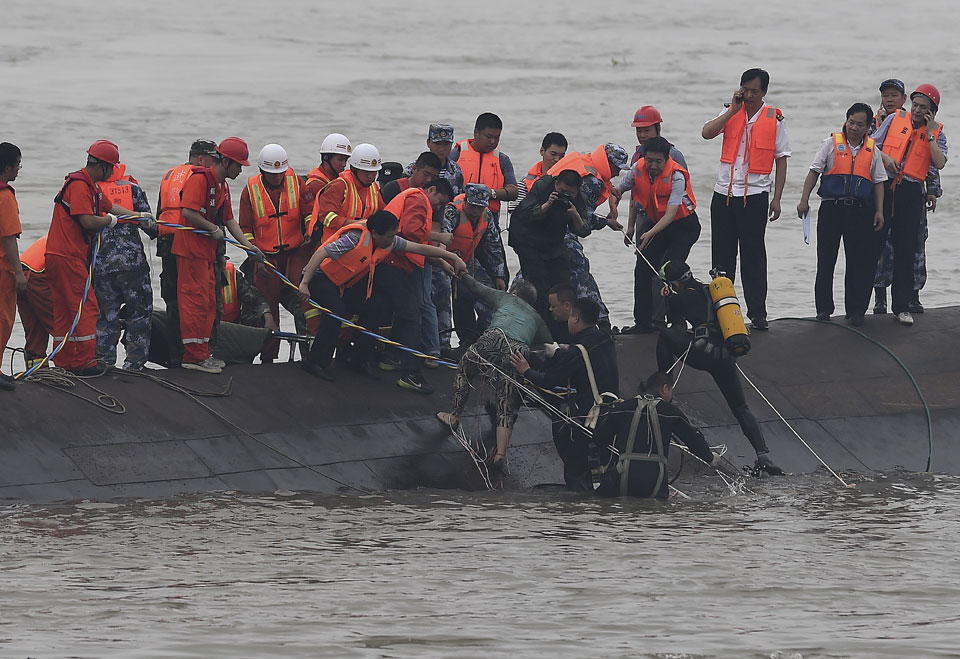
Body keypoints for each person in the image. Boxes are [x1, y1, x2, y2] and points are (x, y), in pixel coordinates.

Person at [297, 209, 465, 382]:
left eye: (394, 235)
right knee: (336, 310)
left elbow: (420, 248)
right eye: (390, 236)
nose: (393, 240)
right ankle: (315, 361)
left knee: (374, 306)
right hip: (318, 277)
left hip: (342, 283)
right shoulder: (353, 239)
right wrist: (304, 284)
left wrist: (451, 258)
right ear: (375, 233)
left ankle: (359, 359)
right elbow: (320, 254)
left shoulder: (387, 241)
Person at [655, 261, 783, 475]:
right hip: (726, 356)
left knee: (665, 337)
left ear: (675, 283)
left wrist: (668, 301)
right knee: (740, 407)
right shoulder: (712, 291)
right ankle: (763, 455)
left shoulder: (680, 298)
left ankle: (663, 389)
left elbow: (676, 327)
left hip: (703, 354)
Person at [45, 140, 147, 374]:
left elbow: (112, 208)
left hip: (59, 255)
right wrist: (108, 222)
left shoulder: (90, 185)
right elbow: (88, 220)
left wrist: (137, 216)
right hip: (67, 255)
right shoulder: (81, 186)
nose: (112, 173)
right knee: (87, 306)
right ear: (101, 166)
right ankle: (84, 362)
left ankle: (65, 361)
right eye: (111, 168)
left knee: (64, 310)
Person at [702, 68, 791, 331]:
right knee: (721, 257)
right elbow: (706, 133)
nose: (750, 95)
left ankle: (758, 313)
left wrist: (777, 199)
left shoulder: (775, 118)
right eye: (746, 89)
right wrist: (732, 110)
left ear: (764, 92)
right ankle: (722, 313)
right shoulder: (730, 110)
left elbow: (781, 160)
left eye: (755, 91)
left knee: (753, 256)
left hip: (754, 197)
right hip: (724, 195)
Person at [436, 274, 551, 470]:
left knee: (465, 366)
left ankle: (454, 416)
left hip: (495, 337)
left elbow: (477, 287)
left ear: (514, 292)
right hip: (519, 351)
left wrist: (461, 273)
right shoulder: (537, 318)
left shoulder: (506, 298)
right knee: (506, 399)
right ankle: (500, 454)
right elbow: (547, 343)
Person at [173, 137, 263, 373]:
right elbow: (188, 212)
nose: (240, 170)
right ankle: (193, 357)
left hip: (207, 254)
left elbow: (229, 220)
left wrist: (248, 247)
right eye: (238, 165)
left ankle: (203, 353)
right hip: (191, 253)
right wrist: (212, 228)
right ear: (225, 161)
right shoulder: (200, 180)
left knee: (209, 303)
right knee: (194, 302)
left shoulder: (222, 185)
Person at [511, 297, 620, 490]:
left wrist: (525, 370)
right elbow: (587, 358)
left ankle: (577, 506)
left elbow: (549, 381)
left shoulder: (577, 352)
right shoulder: (604, 336)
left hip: (587, 417)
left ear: (576, 318)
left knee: (575, 471)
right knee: (601, 468)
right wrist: (561, 353)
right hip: (610, 412)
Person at [796, 103, 886, 326]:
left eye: (860, 124)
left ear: (868, 127)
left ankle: (854, 311)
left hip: (858, 212)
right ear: (846, 121)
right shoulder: (830, 144)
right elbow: (814, 172)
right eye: (851, 122)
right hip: (831, 209)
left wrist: (879, 211)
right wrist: (804, 200)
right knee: (826, 260)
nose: (854, 127)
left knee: (856, 262)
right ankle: (824, 309)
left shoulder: (872, 150)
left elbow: (879, 183)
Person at [871, 84, 947, 326]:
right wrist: (886, 157)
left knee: (907, 249)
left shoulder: (937, 133)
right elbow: (871, 145)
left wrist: (931, 133)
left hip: (913, 191)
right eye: (915, 105)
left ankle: (902, 306)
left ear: (932, 112)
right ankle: (867, 301)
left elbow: (940, 162)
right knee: (876, 243)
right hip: (887, 185)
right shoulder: (894, 119)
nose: (916, 110)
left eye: (923, 108)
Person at [615, 136, 701, 333]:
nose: (653, 165)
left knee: (671, 271)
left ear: (667, 159)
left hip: (683, 226)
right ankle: (643, 323)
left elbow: (671, 214)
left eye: (658, 161)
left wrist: (647, 233)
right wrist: (614, 206)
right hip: (659, 226)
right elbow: (618, 191)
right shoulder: (638, 168)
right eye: (650, 160)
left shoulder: (677, 176)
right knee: (642, 268)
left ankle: (678, 322)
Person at [594, 372, 722, 499]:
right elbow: (693, 439)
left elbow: (599, 439)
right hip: (656, 479)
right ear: (665, 388)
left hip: (624, 475)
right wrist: (710, 458)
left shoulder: (622, 408)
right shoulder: (670, 411)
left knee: (600, 496)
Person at [378, 180, 455, 393]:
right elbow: (411, 231)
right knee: (412, 316)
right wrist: (438, 237)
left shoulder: (417, 199)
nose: (438, 207)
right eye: (439, 202)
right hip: (394, 264)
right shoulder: (419, 199)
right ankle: (411, 372)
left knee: (404, 315)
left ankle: (392, 357)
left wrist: (443, 261)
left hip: (398, 264)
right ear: (431, 190)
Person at [238, 143, 312, 362]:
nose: (278, 178)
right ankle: (268, 359)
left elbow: (309, 213)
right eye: (273, 174)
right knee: (268, 313)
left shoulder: (298, 183)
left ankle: (308, 356)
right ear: (262, 171)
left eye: (281, 173)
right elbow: (245, 229)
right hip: (265, 261)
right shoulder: (250, 190)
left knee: (304, 307)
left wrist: (308, 231)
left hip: (294, 257)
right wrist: (254, 254)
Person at [545, 143, 629, 329]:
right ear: (607, 163)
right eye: (615, 168)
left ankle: (597, 319)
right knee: (581, 272)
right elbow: (583, 221)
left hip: (544, 226)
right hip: (559, 231)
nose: (616, 173)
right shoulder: (593, 181)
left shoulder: (587, 161)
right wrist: (607, 223)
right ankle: (598, 321)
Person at [156, 139, 220, 368]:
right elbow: (211, 216)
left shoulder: (169, 176)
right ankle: (202, 353)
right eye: (214, 159)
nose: (216, 163)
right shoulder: (203, 178)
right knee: (202, 300)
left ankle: (176, 356)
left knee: (174, 301)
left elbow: (159, 214)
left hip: (167, 243)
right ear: (201, 159)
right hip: (193, 243)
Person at [94, 163, 157, 371]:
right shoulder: (132, 189)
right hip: (133, 264)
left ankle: (104, 363)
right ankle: (134, 365)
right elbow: (151, 227)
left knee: (106, 316)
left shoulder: (93, 190)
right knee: (139, 313)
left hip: (102, 264)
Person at [436, 183, 508, 351]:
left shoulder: (487, 215)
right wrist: (448, 263)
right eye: (473, 206)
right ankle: (443, 342)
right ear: (466, 201)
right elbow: (441, 243)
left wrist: (499, 275)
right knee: (445, 294)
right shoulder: (452, 213)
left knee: (489, 292)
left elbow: (494, 246)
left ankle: (486, 339)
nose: (476, 211)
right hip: (444, 261)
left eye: (480, 207)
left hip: (468, 260)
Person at [509, 169, 588, 319]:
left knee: (563, 284)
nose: (564, 195)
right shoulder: (543, 186)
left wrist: (575, 214)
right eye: (561, 191)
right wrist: (547, 204)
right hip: (526, 239)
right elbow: (525, 215)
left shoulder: (577, 198)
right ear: (556, 184)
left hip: (553, 242)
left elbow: (584, 230)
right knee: (540, 285)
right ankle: (542, 326)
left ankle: (563, 326)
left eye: (570, 193)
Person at [309, 143, 384, 241]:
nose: (371, 176)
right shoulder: (339, 185)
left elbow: (383, 212)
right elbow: (326, 217)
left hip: (361, 244)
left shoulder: (373, 187)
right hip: (333, 246)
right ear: (354, 169)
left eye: (374, 172)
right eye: (366, 172)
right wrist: (355, 224)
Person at [452, 113, 518, 216]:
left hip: (489, 219)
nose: (493, 141)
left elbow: (513, 192)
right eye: (488, 137)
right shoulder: (456, 154)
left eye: (497, 137)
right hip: (459, 216)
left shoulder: (503, 160)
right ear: (476, 132)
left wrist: (490, 193)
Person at [0, 142, 26, 390]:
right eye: (17, 165)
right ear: (7, 167)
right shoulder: (5, 197)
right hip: (2, 269)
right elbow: (8, 237)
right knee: (3, 318)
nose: (18, 170)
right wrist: (19, 273)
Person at [17, 235, 53, 370]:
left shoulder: (54, 235)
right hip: (39, 276)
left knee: (35, 328)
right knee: (60, 323)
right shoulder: (90, 236)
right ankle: (74, 365)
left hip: (20, 274)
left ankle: (36, 368)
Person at [510, 132, 568, 211]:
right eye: (553, 154)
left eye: (562, 156)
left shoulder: (568, 182)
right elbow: (515, 214)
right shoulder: (524, 183)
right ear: (542, 151)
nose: (557, 159)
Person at [404, 123, 464, 196]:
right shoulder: (412, 169)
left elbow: (459, 198)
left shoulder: (456, 171)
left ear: (451, 145)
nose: (441, 148)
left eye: (446, 144)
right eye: (437, 144)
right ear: (428, 143)